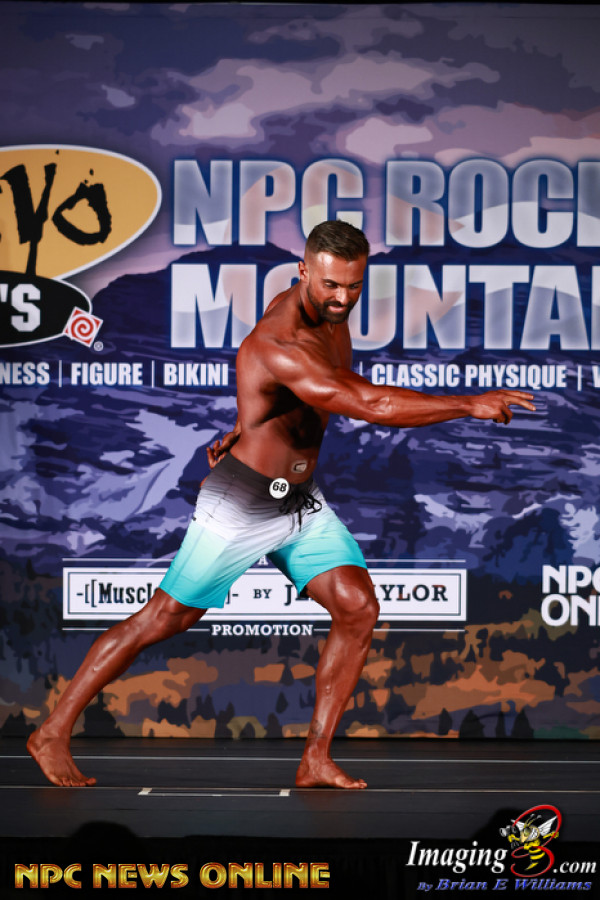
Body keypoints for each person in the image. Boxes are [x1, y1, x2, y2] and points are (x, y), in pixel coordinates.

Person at [27, 221, 535, 790]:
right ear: (303, 270)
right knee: (164, 618)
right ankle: (52, 731)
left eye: (353, 285)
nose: (342, 297)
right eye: (330, 285)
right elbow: (369, 402)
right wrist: (467, 404)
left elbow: (272, 391)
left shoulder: (322, 312)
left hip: (298, 499)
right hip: (245, 499)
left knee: (357, 607)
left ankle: (315, 757)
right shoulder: (283, 338)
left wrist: (245, 424)